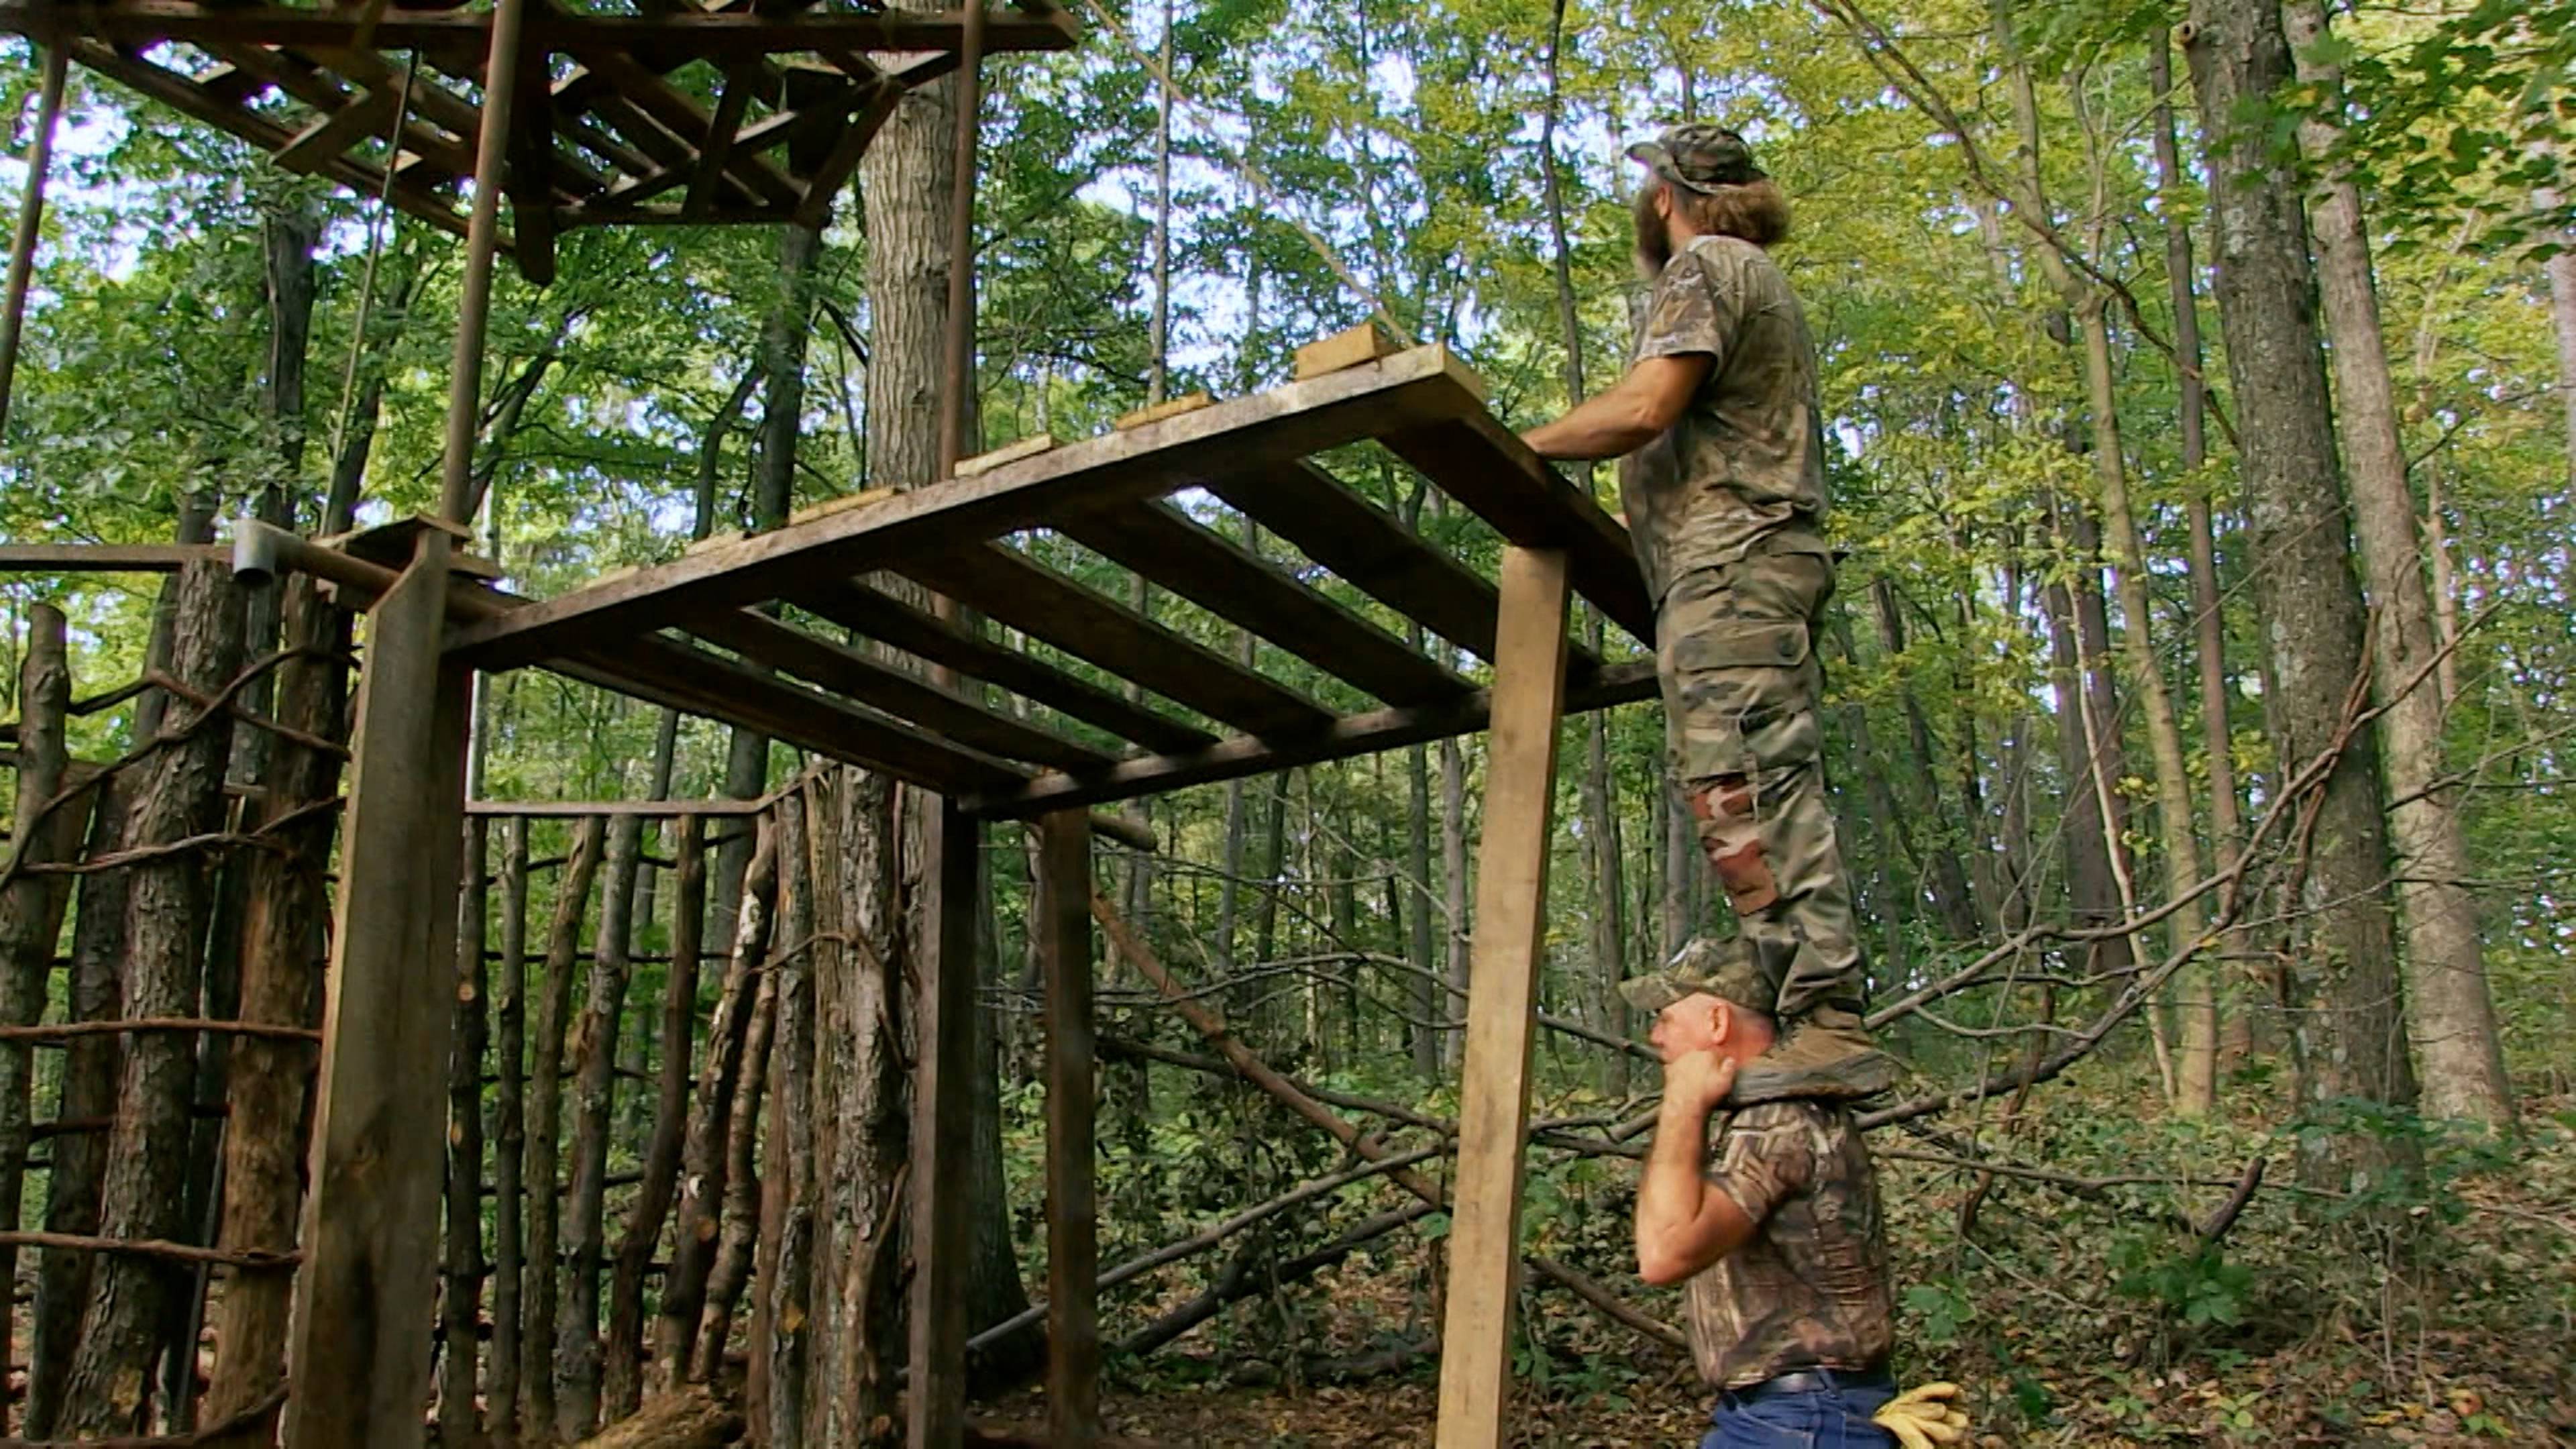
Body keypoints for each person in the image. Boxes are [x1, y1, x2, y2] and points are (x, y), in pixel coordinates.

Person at [1521, 122, 1889, 1106]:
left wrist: (1516, 446)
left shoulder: (1707, 265)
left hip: (1734, 565)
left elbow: (1643, 408)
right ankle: (1785, 994)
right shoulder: (1745, 273)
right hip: (1732, 571)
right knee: (1730, 785)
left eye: (1651, 187)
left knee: (1753, 783)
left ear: (1669, 198)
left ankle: (1829, 1018)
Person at [1623, 943, 1900, 1449]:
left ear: (1716, 1023)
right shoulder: (1768, 1115)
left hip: (1804, 1418)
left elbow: (1664, 1253)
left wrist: (1683, 1102)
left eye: (1665, 1019)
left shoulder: (1779, 1121)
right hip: (1796, 1414)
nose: (1655, 1036)